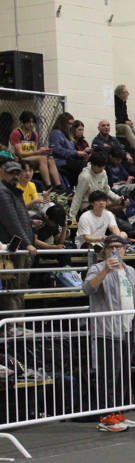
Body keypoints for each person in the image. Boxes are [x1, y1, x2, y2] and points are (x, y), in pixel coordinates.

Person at [83, 234, 135, 431]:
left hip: (128, 329)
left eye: (118, 247)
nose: (115, 250)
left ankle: (118, 412)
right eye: (110, 247)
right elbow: (87, 289)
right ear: (105, 250)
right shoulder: (97, 268)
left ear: (124, 250)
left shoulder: (131, 271)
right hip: (107, 330)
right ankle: (106, 416)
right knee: (108, 376)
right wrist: (105, 270)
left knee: (123, 374)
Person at [0, 161, 37, 321]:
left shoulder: (13, 192)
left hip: (20, 248)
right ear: (2, 172)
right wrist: (27, 244)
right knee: (12, 289)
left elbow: (17, 218)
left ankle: (18, 324)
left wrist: (30, 222)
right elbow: (11, 221)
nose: (15, 176)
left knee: (19, 288)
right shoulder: (3, 192)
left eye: (17, 173)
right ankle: (11, 326)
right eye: (11, 173)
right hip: (12, 249)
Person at [9, 111, 63, 192]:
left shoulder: (34, 134)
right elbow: (20, 153)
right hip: (18, 159)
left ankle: (59, 186)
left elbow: (34, 152)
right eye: (29, 122)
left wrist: (44, 152)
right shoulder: (16, 133)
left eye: (33, 122)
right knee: (42, 158)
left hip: (30, 159)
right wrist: (38, 152)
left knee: (50, 158)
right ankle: (48, 186)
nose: (31, 124)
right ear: (23, 121)